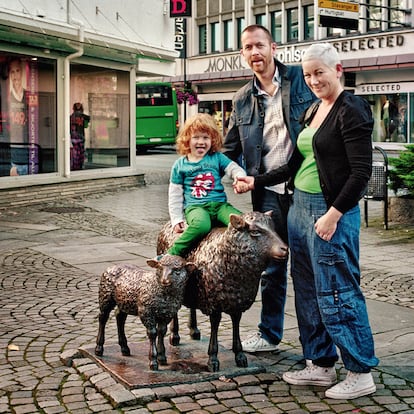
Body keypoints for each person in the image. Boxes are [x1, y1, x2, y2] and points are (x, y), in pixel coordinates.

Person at [236, 43, 379, 400]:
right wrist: (257, 180)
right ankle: (320, 363)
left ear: (338, 70)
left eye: (320, 72)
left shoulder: (352, 109)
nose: (314, 79)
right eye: (308, 74)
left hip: (329, 211)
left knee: (338, 291)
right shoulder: (315, 109)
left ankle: (360, 371)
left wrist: (334, 214)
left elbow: (361, 172)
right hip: (299, 208)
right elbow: (295, 164)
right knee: (308, 291)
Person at [223, 24, 316, 353]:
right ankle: (269, 334)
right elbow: (228, 150)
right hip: (267, 195)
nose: (254, 53)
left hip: (305, 189)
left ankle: (315, 346)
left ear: (273, 47)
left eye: (259, 45)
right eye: (247, 47)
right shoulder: (242, 99)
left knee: (307, 266)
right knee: (272, 268)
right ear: (242, 54)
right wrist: (229, 173)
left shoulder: (300, 81)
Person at [165, 113, 247, 257]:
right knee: (201, 226)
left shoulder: (217, 158)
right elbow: (175, 195)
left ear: (213, 139)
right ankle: (172, 253)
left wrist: (240, 177)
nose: (201, 141)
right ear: (187, 140)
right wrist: (176, 219)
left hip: (220, 206)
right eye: (196, 137)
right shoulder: (180, 165)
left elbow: (233, 168)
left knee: (241, 222)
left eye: (206, 137)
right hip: (196, 207)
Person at [8, 58, 29, 176]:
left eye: (18, 71)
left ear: (22, 72)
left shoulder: (28, 95)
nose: (15, 76)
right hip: (14, 153)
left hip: (29, 150)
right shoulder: (8, 98)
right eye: (12, 72)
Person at [70, 102, 90, 170]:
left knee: (75, 151)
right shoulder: (83, 116)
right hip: (81, 136)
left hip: (73, 136)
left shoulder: (71, 116)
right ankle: (80, 165)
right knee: (81, 151)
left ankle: (75, 165)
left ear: (73, 108)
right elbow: (88, 119)